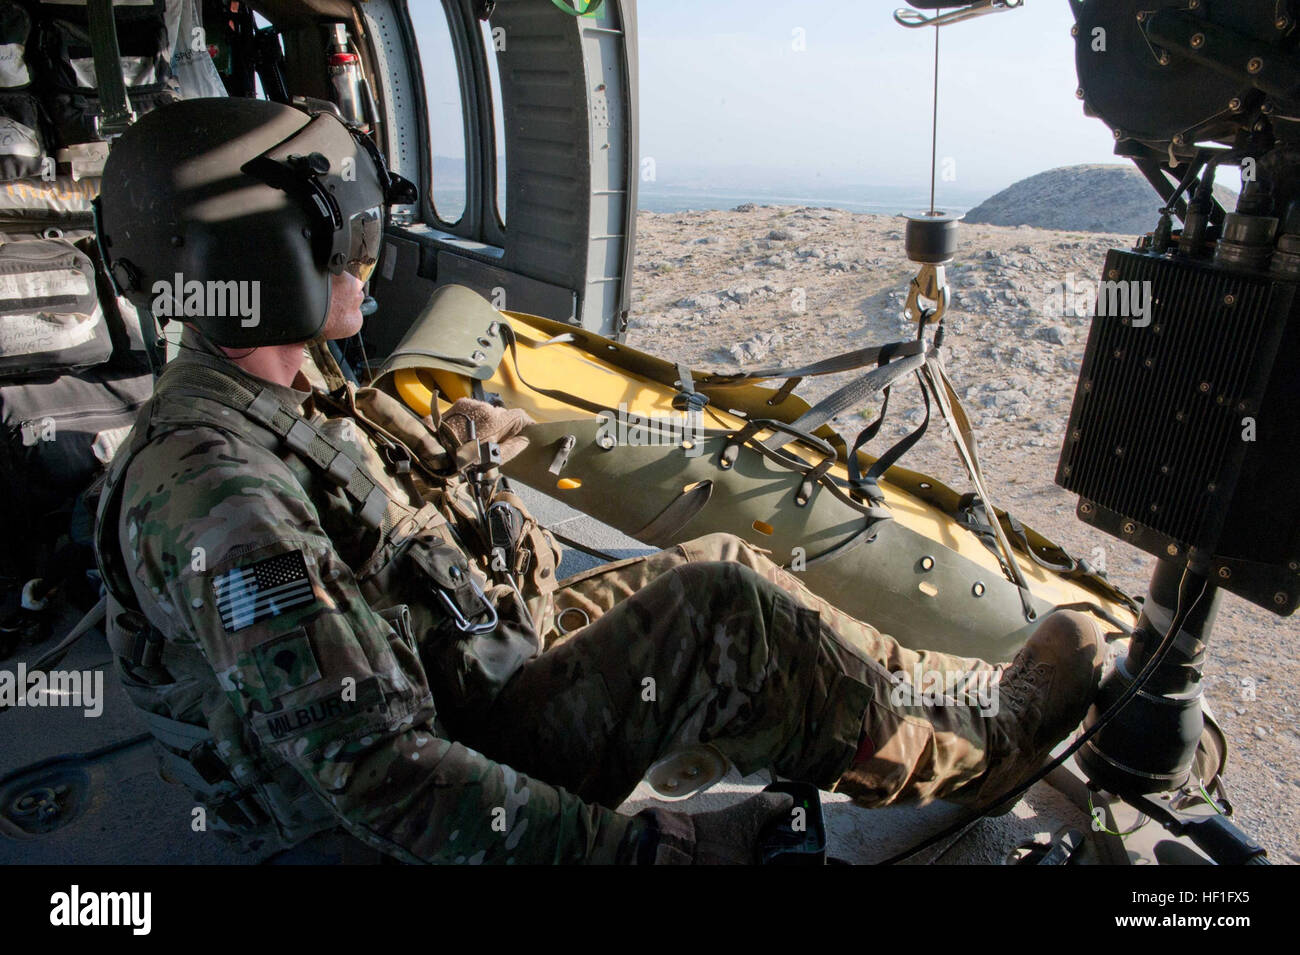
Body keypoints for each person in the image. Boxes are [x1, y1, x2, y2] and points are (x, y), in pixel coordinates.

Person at [93, 97, 1106, 865]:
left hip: (454, 668)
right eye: (344, 238)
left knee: (714, 561)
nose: (368, 255)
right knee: (722, 610)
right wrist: (636, 850)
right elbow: (380, 776)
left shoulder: (273, 376)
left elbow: (367, 544)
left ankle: (952, 697)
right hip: (394, 811)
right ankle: (992, 745)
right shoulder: (219, 500)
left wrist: (463, 456)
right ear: (263, 261)